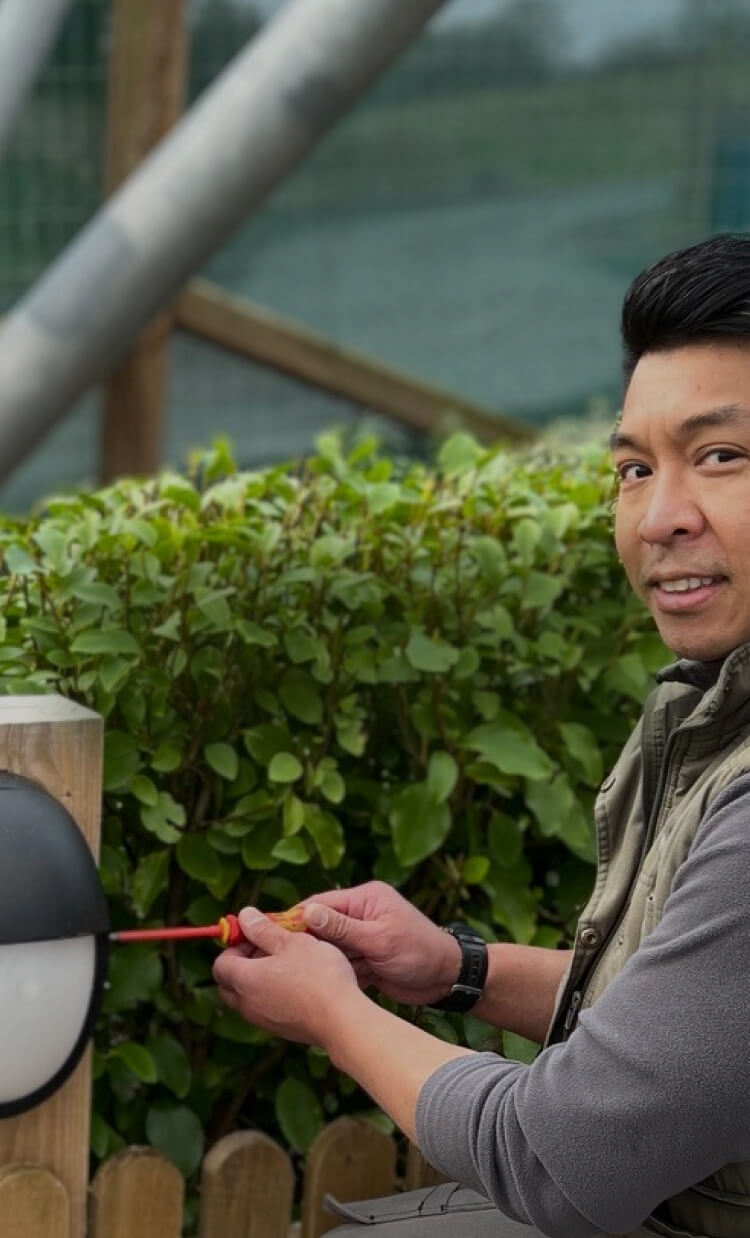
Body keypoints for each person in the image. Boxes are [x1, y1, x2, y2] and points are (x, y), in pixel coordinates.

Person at [213, 233, 750, 1238]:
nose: (659, 515)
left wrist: (336, 1012)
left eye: (720, 455)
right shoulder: (711, 710)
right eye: (634, 467)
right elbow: (682, 1037)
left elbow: (561, 1159)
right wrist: (453, 967)